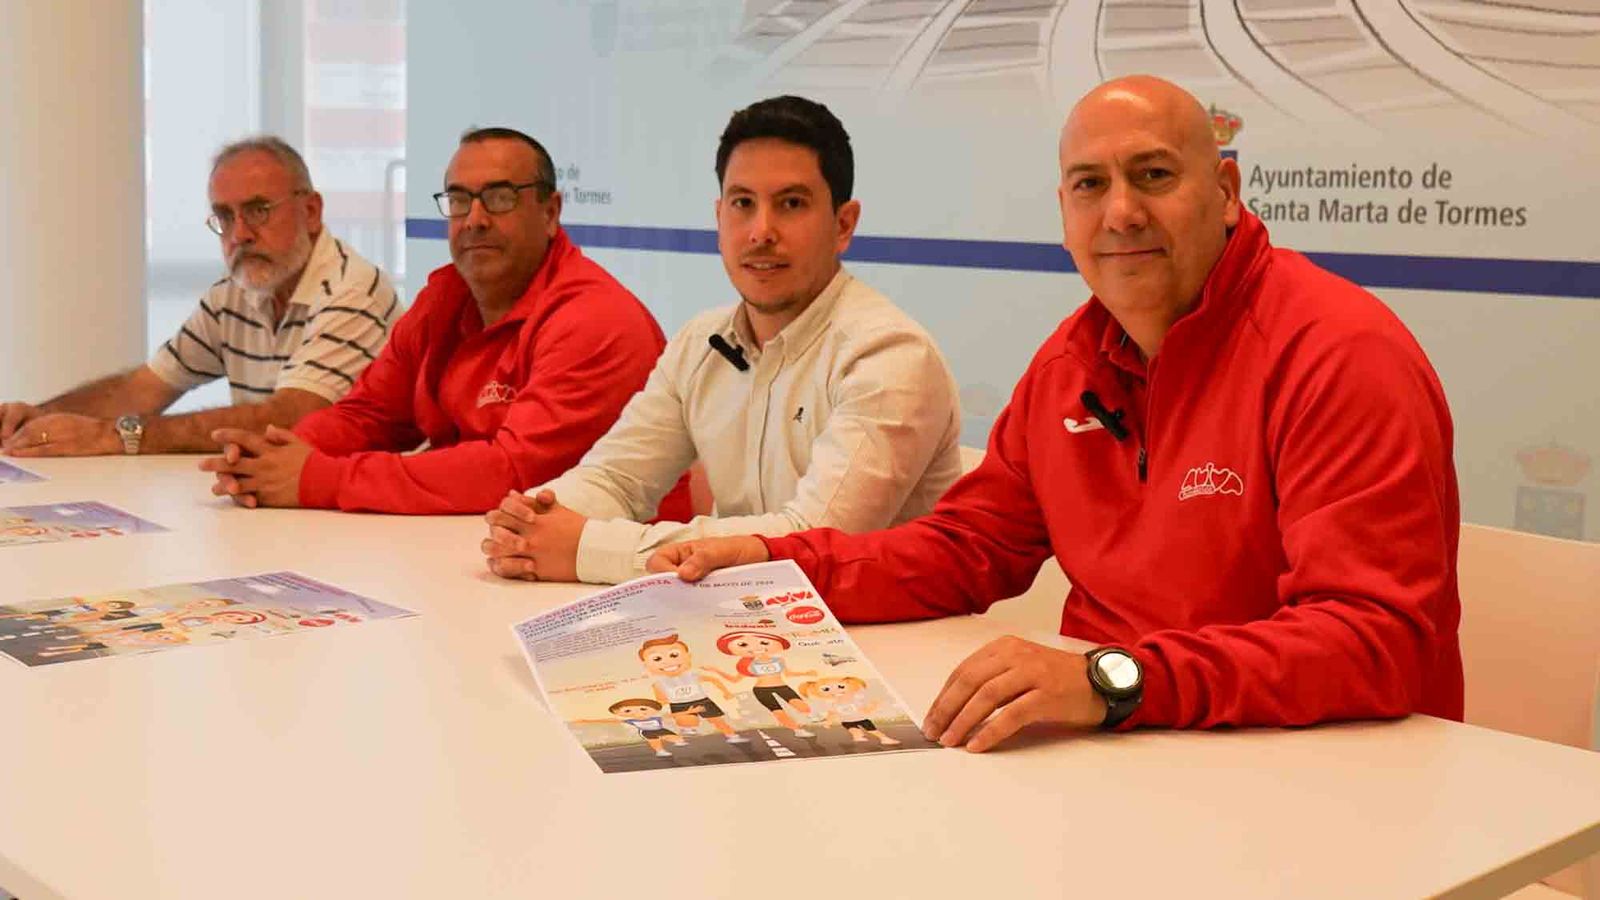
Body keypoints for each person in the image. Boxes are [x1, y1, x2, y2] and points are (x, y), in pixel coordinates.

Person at [647, 76, 1463, 752]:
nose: (1120, 213)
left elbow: (1375, 642)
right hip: (1129, 744)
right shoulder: (1071, 362)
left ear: (1224, 193)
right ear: (1064, 211)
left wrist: (1111, 679)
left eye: (1153, 176)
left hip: (1322, 768)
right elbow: (967, 548)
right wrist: (777, 559)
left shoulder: (1339, 351)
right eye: (1090, 185)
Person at [479, 95, 961, 583]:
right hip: (740, 626)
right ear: (719, 216)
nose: (761, 231)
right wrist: (533, 523)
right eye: (743, 204)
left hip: (881, 646)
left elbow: (812, 541)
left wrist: (591, 549)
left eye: (791, 204)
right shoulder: (701, 341)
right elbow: (616, 479)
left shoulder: (889, 355)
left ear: (843, 225)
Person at [200, 127, 689, 516]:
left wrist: (315, 478)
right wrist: (273, 456)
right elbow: (369, 415)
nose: (474, 219)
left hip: (614, 584)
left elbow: (511, 472)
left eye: (499, 197)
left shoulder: (594, 319)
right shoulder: (445, 298)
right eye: (459, 200)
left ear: (550, 211)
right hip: (487, 551)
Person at [1, 136, 397, 457]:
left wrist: (117, 436)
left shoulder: (352, 293)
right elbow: (143, 387)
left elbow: (290, 420)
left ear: (311, 211)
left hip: (367, 524)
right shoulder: (235, 294)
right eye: (224, 216)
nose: (239, 233)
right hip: (281, 506)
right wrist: (37, 418)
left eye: (259, 210)